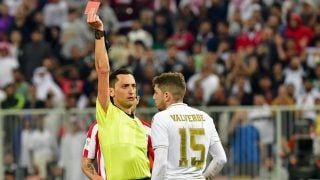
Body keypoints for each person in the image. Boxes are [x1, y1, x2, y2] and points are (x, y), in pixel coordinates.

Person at [87, 10, 151, 179]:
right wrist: (99, 32)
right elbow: (103, 70)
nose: (131, 90)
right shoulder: (108, 114)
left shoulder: (144, 127)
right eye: (124, 86)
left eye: (133, 86)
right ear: (111, 92)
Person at [151, 72, 227, 179]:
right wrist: (203, 177)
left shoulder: (161, 118)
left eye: (156, 92)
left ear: (166, 96)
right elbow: (221, 159)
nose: (154, 97)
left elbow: (161, 162)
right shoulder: (205, 118)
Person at [81, 96, 154, 179]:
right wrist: (95, 177)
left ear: (137, 100)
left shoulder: (148, 130)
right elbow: (86, 164)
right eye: (126, 99)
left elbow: (159, 163)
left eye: (131, 98)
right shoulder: (98, 127)